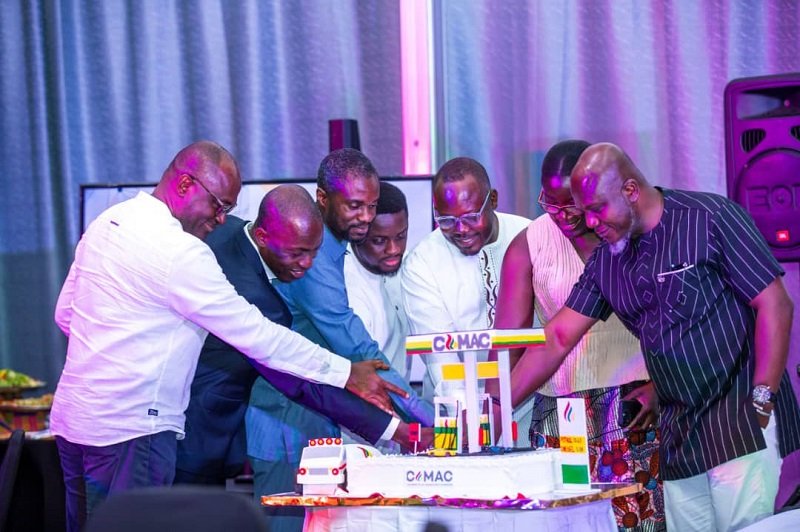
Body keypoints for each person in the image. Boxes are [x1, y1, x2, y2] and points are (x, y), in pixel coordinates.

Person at [51, 141, 403, 532]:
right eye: (218, 205)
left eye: (229, 211)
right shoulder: (181, 251)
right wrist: (346, 372)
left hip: (74, 423)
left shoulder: (110, 220)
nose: (221, 219)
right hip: (134, 429)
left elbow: (66, 313)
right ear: (185, 184)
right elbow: (258, 337)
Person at [511, 142, 800, 531]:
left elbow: (775, 304)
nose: (590, 223)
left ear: (630, 190)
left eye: (598, 210)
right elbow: (559, 335)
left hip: (739, 416)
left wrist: (763, 398)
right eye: (585, 213)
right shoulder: (607, 260)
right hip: (679, 431)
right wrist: (491, 406)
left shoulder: (708, 217)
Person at [175, 185, 424, 487]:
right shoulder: (257, 299)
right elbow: (302, 381)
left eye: (315, 252)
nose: (307, 265)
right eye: (298, 253)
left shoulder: (234, 231)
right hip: (192, 431)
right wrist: (400, 431)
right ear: (264, 238)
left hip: (204, 428)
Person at [245, 149, 433, 532]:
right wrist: (430, 417)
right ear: (322, 199)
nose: (365, 216)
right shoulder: (311, 253)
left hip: (317, 416)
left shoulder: (336, 246)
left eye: (372, 205)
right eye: (354, 206)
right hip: (286, 421)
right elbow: (355, 345)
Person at [493, 140, 663, 530]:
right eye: (548, 202)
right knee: (563, 522)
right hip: (560, 409)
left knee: (637, 520)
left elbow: (670, 324)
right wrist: (491, 413)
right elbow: (508, 345)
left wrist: (659, 384)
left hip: (632, 406)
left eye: (570, 203)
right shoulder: (529, 244)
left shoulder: (631, 234)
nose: (561, 215)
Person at [401, 156, 530, 407]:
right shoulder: (422, 262)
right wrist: (472, 420)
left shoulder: (529, 236)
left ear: (492, 200)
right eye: (446, 221)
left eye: (471, 217)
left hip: (530, 397)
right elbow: (441, 359)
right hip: (459, 405)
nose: (460, 230)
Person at [344, 181, 411, 381]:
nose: (394, 249)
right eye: (379, 241)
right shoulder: (345, 290)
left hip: (399, 398)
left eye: (401, 236)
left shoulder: (409, 266)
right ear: (357, 234)